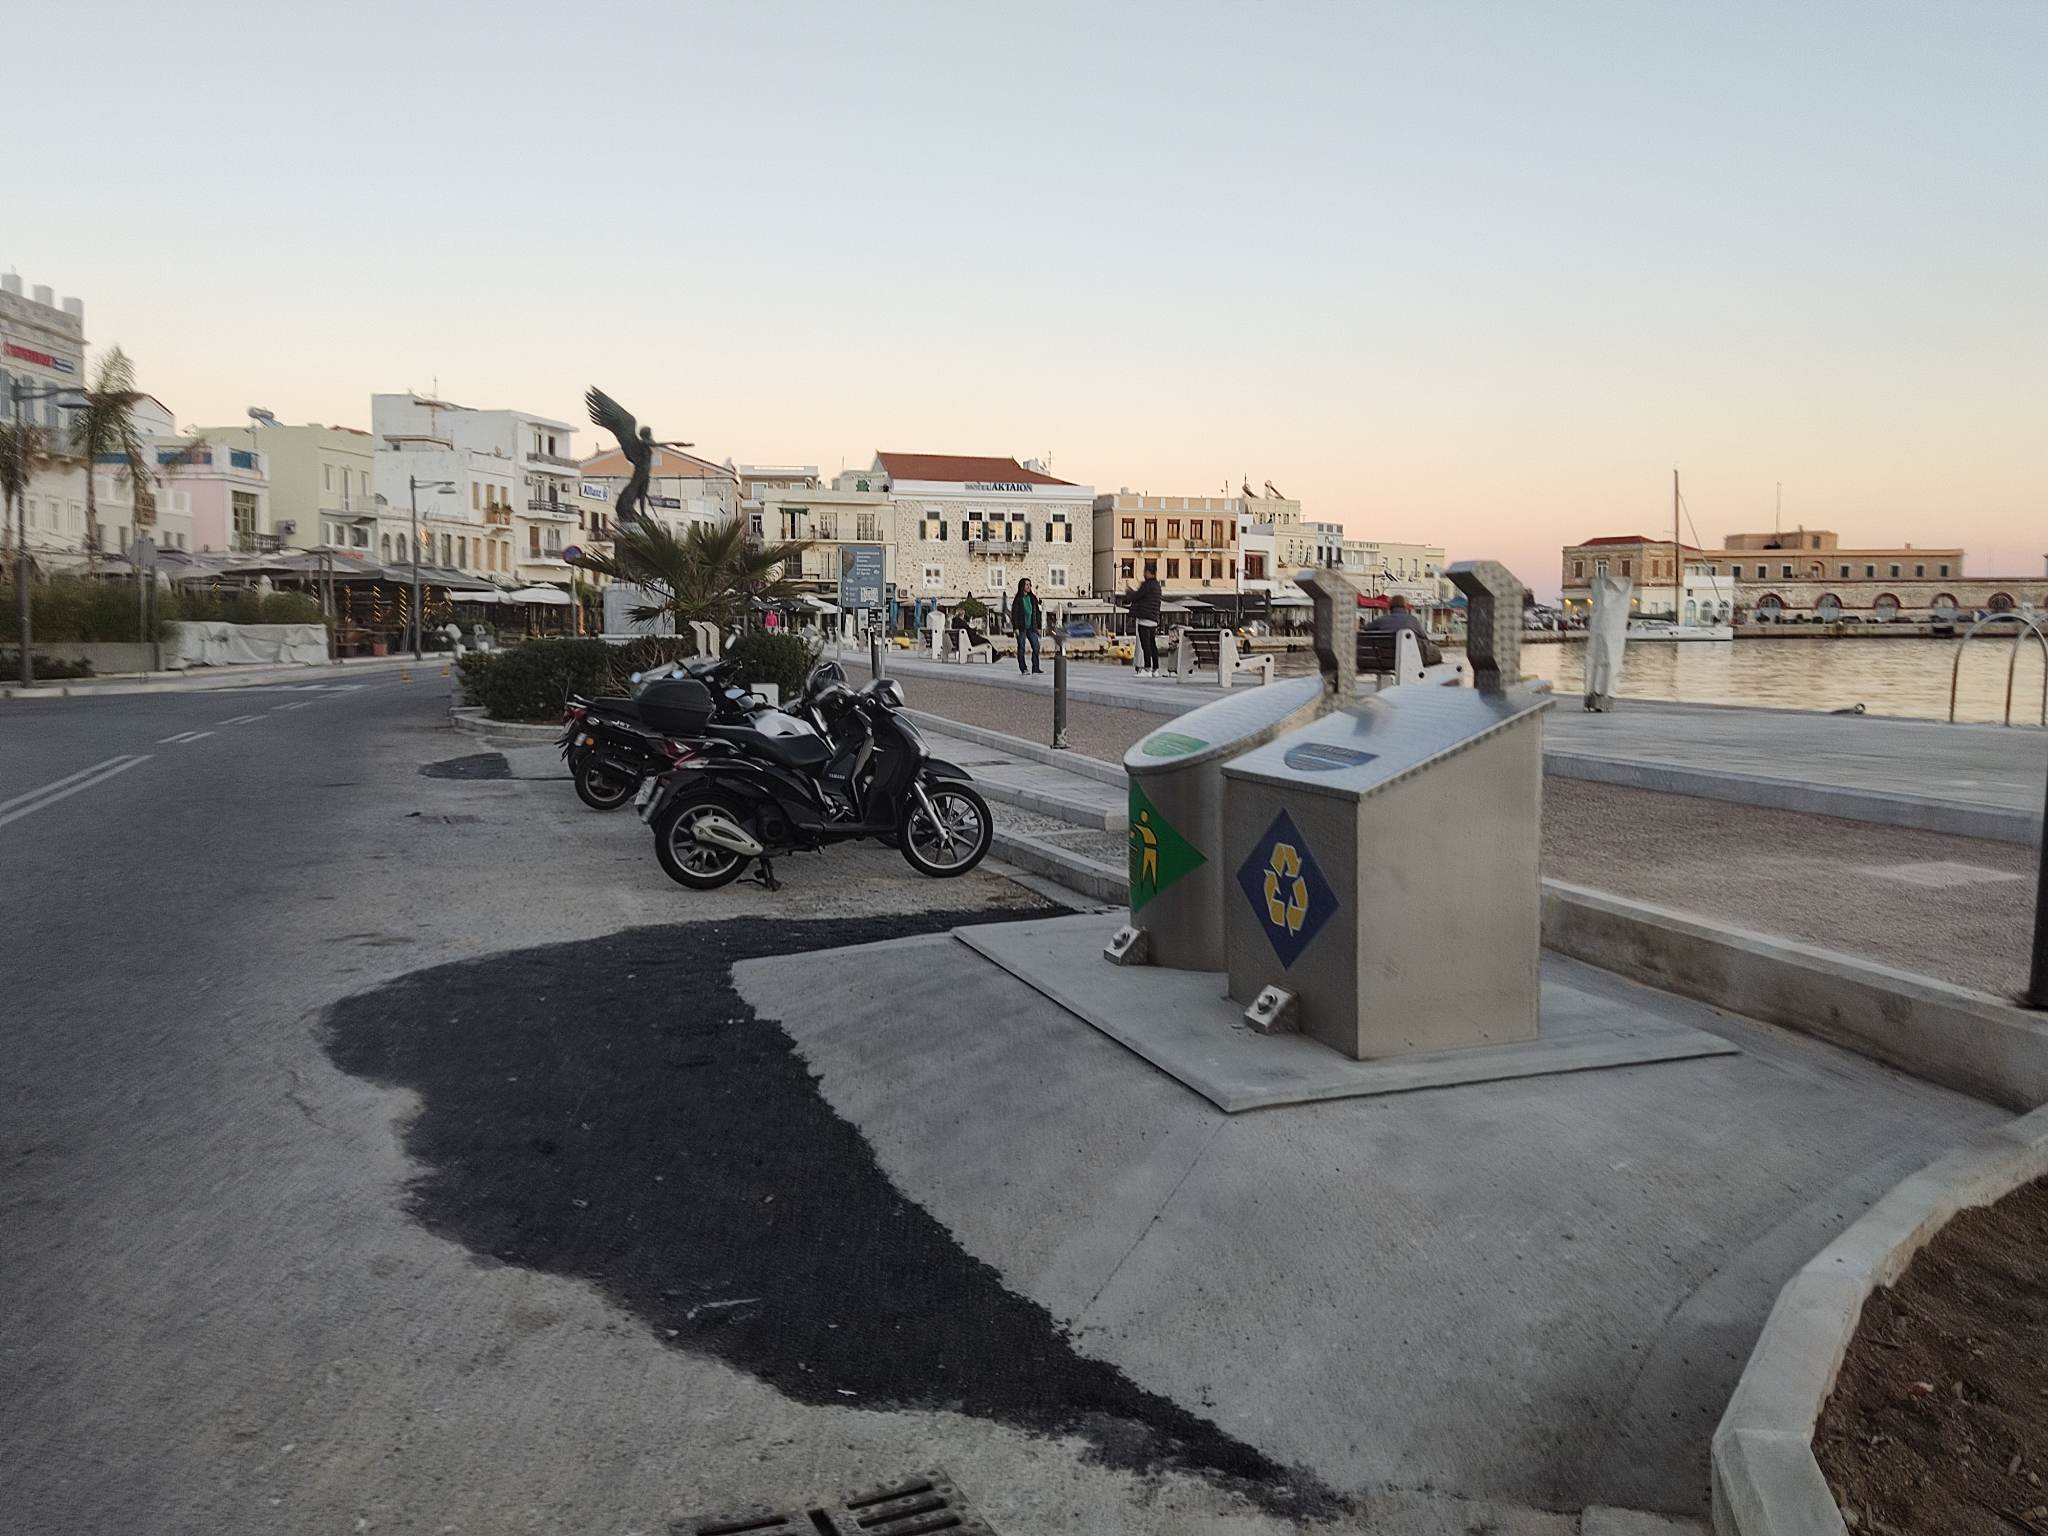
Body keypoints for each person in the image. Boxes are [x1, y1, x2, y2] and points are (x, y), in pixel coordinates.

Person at [1363, 593, 1443, 666]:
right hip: (1410, 660)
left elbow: (1366, 629)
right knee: (1434, 651)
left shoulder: (1381, 620)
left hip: (1384, 661)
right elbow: (1424, 638)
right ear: (1405, 606)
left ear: (1390, 606)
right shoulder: (1413, 620)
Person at [1120, 572, 1164, 675]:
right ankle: (1155, 669)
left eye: (1145, 572)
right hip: (1153, 619)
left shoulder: (1147, 585)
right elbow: (1142, 596)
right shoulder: (1157, 586)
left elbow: (1136, 596)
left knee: (1145, 645)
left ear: (1149, 573)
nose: (1144, 574)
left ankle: (1147, 668)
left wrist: (1129, 592)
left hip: (1144, 618)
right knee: (1152, 645)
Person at [1010, 578, 1044, 675]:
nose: (1028, 586)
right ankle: (1023, 668)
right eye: (1026, 584)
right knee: (1021, 648)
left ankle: (1035, 668)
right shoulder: (1018, 599)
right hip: (1021, 627)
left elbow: (1037, 613)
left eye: (1029, 584)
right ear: (1022, 586)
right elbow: (1014, 614)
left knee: (1036, 647)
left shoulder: (1033, 598)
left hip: (1032, 627)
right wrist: (1015, 627)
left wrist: (1039, 626)